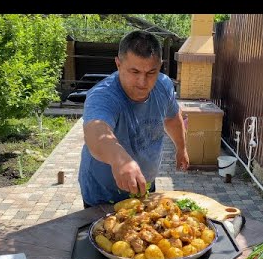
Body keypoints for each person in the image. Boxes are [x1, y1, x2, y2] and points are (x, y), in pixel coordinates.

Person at [78, 30, 189, 207]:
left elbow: (172, 117)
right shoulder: (103, 95)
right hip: (103, 196)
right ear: (118, 64)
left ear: (160, 66)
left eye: (151, 72)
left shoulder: (164, 85)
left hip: (146, 187)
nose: (142, 82)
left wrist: (181, 148)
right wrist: (120, 159)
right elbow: (95, 131)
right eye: (134, 71)